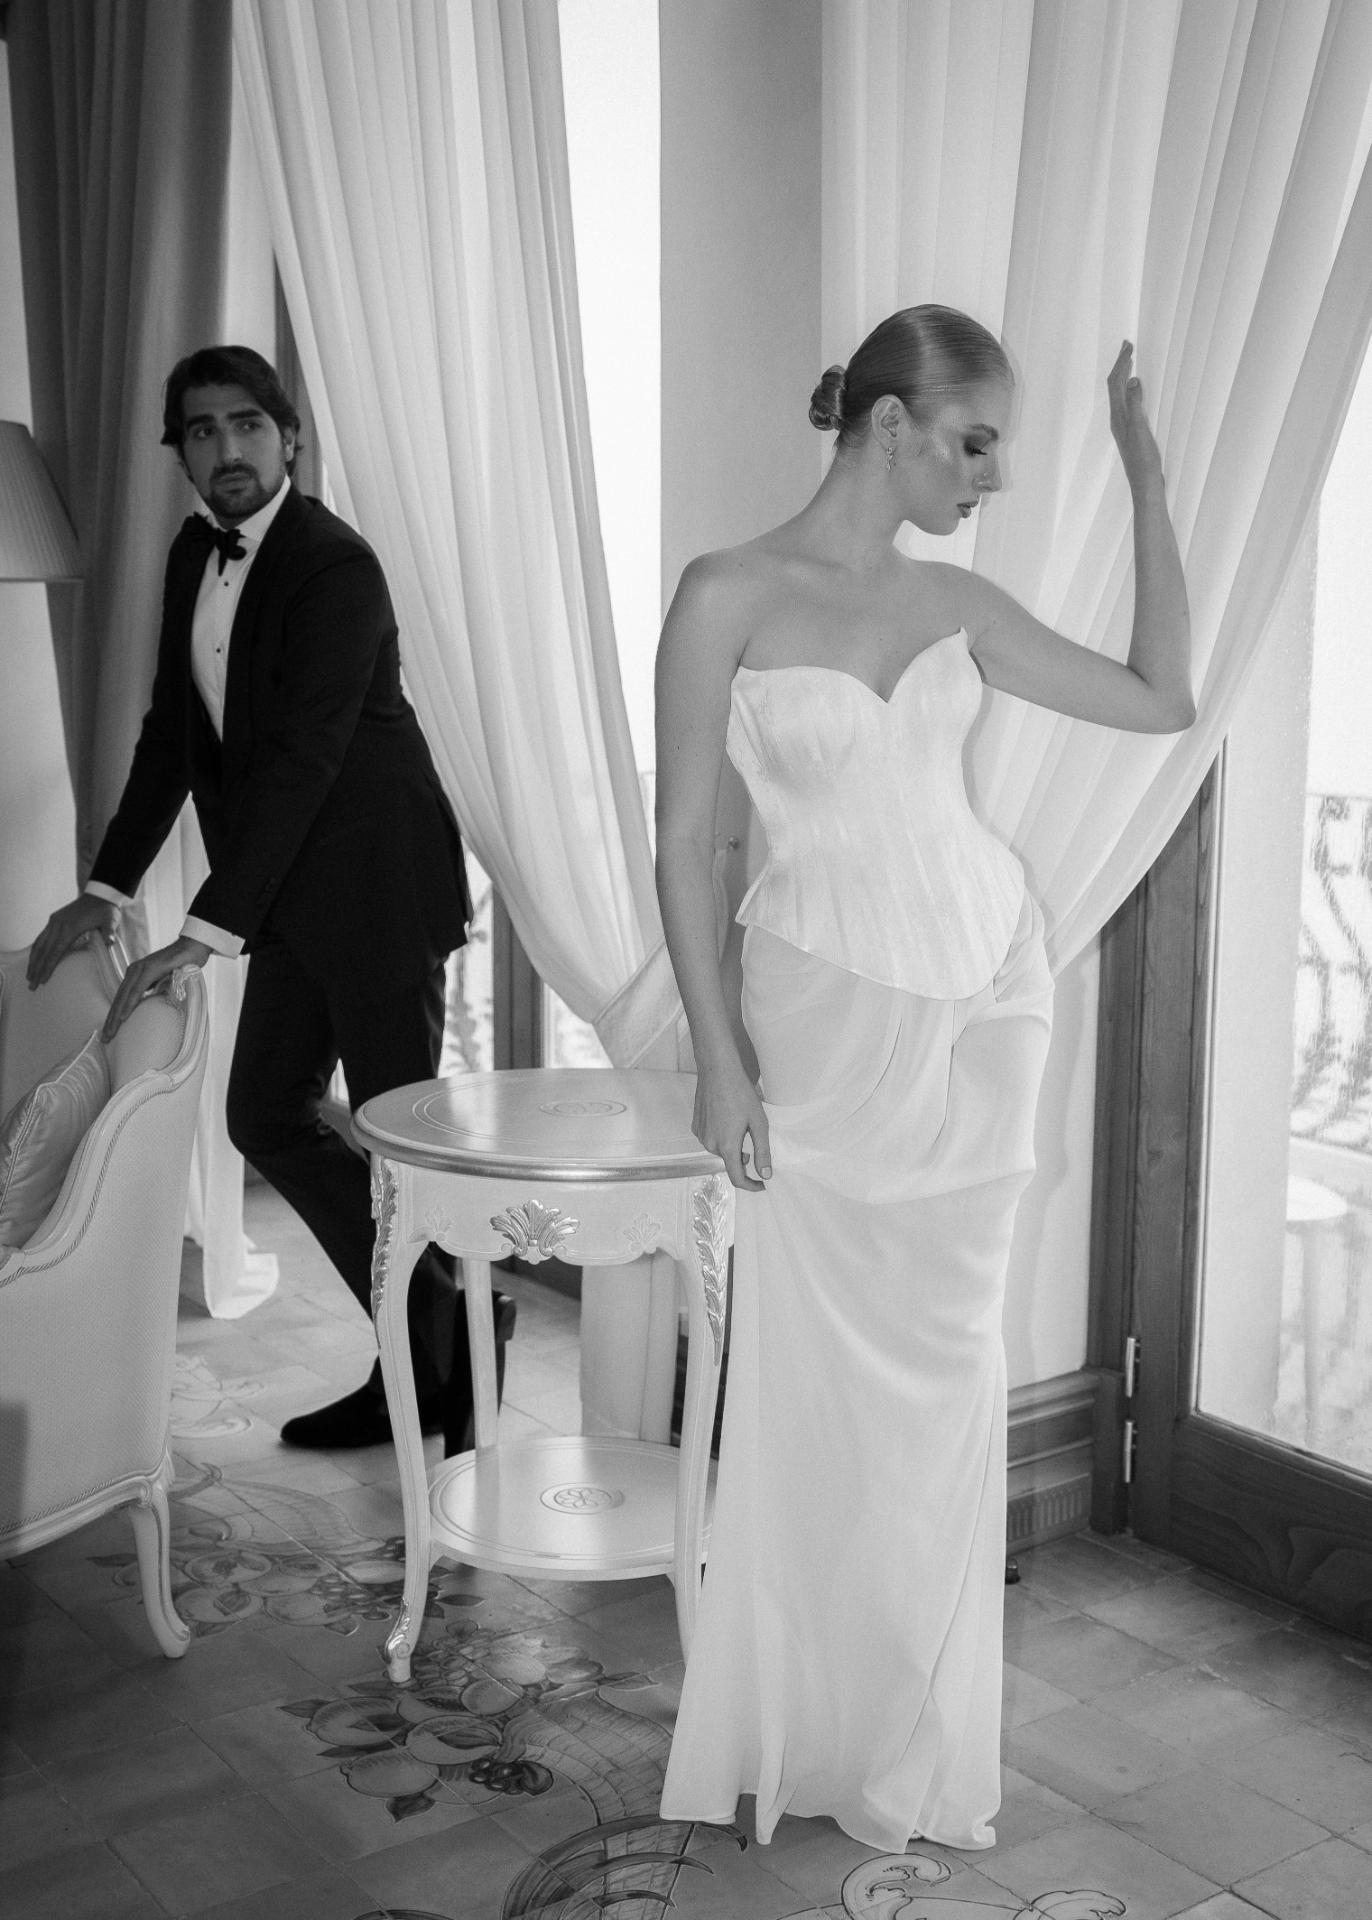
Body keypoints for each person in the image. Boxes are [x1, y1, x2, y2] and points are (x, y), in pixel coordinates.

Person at [653, 306, 1192, 1851]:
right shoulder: (727, 595)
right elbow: (685, 843)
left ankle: (913, 1736)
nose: (989, 474)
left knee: (950, 1381)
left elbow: (1161, 696)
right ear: (887, 423)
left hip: (991, 998)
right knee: (821, 1378)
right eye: (973, 440)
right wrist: (716, 1055)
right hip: (819, 1013)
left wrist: (1147, 485)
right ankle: (806, 1722)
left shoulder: (959, 601)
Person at [27, 344, 514, 1453]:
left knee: (407, 1156)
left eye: (247, 424)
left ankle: (455, 1403)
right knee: (266, 1116)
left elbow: (303, 757)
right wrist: (103, 886)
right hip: (291, 889)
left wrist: (200, 936)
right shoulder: (192, 555)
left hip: (379, 886)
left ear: (287, 437)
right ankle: (439, 1327)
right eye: (201, 430)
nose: (226, 448)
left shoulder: (336, 567)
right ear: (182, 453)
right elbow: (172, 735)